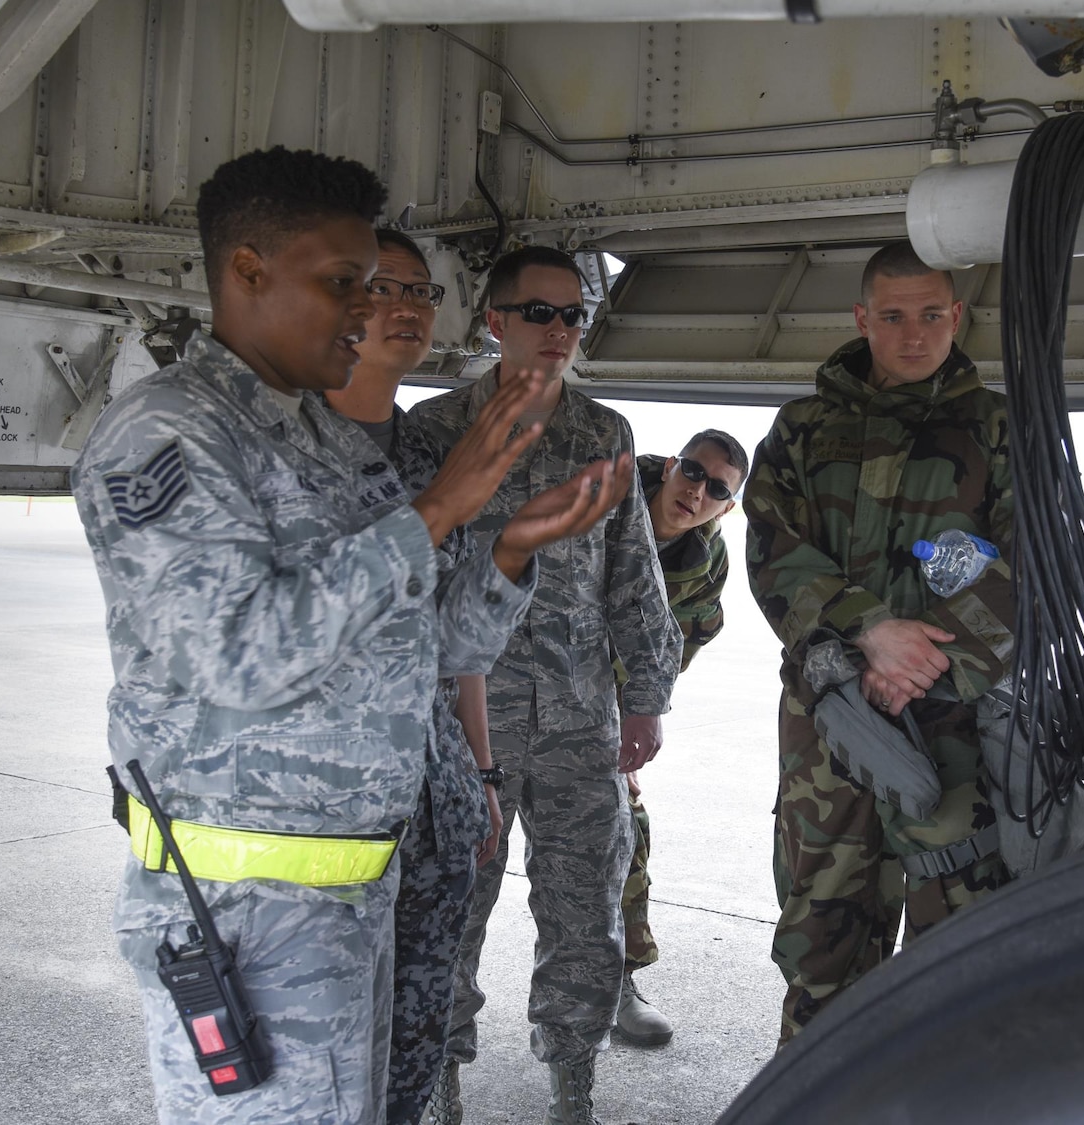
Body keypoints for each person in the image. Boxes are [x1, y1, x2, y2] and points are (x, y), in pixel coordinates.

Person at [73, 148, 633, 1125]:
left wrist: (507, 547)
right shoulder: (170, 436)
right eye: (345, 286)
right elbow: (235, 655)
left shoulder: (327, 442)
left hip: (359, 889)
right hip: (246, 916)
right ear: (248, 271)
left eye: (374, 287)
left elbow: (438, 645)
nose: (366, 312)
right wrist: (438, 507)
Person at [409, 245, 681, 1125]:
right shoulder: (435, 430)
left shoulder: (602, 434)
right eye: (540, 313)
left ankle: (572, 1082)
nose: (560, 331)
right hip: (463, 722)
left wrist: (647, 693)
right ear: (494, 322)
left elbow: (632, 569)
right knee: (451, 908)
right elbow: (413, 584)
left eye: (574, 317)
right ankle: (438, 1078)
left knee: (583, 913)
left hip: (576, 720)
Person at [745, 241, 1018, 1043]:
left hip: (952, 729)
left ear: (957, 316)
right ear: (862, 317)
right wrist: (870, 629)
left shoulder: (996, 428)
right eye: (893, 316)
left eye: (933, 314)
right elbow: (772, 546)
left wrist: (927, 670)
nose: (913, 333)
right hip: (829, 724)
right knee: (821, 932)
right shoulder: (803, 428)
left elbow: (1033, 558)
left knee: (957, 945)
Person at [319, 229, 501, 1125]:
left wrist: (479, 766)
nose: (409, 309)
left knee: (414, 1055)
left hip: (434, 801)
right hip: (327, 817)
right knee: (320, 1066)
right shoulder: (286, 445)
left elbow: (454, 642)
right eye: (386, 287)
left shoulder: (435, 450)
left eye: (424, 294)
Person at [610, 429, 749, 1048]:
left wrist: (632, 715)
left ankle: (618, 983)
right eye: (693, 471)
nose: (697, 490)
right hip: (521, 691)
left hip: (604, 714)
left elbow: (682, 642)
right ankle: (442, 991)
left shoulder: (706, 561)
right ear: (670, 465)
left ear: (728, 506)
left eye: (718, 488)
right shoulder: (606, 495)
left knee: (624, 836)